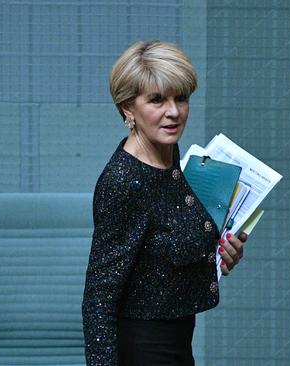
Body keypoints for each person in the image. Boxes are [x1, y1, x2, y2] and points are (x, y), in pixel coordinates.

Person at [82, 40, 247, 366]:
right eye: (157, 100)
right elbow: (99, 297)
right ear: (127, 107)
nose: (173, 111)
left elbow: (162, 253)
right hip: (142, 350)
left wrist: (219, 251)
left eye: (180, 98)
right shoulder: (123, 181)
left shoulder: (170, 156)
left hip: (177, 344)